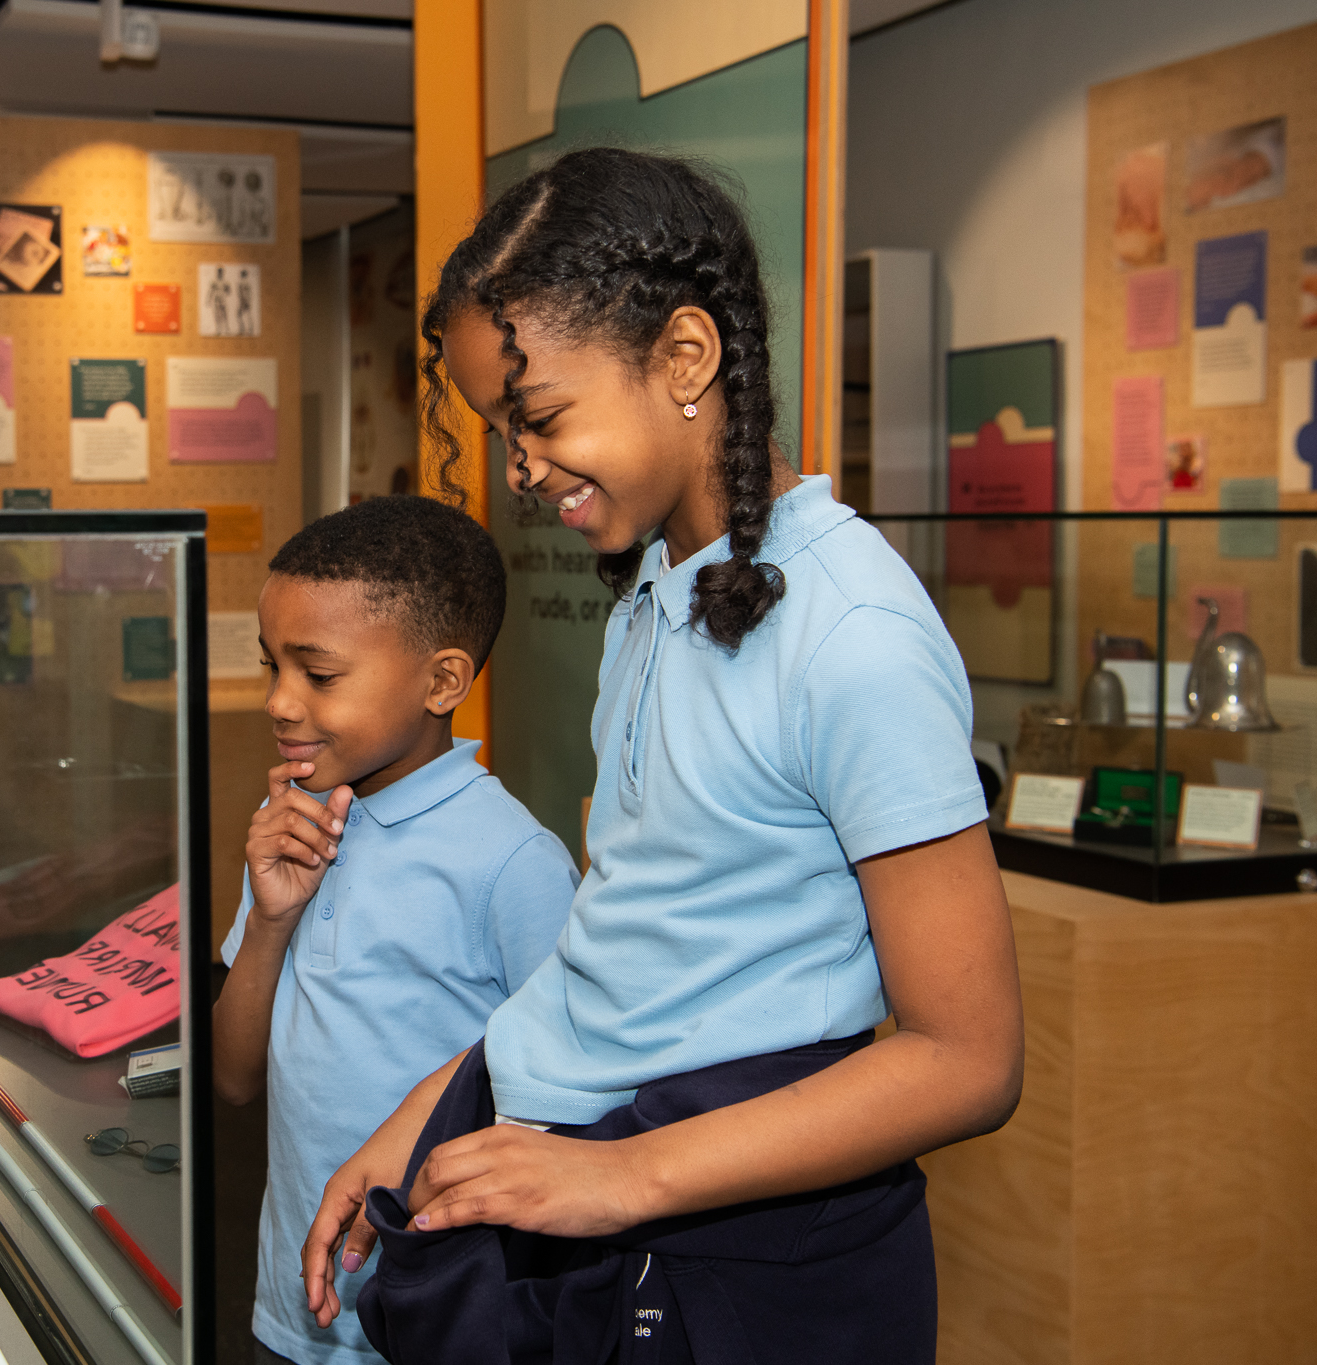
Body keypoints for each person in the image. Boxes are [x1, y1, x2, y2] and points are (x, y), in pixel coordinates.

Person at [299, 147, 1024, 1361]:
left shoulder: (850, 635)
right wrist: (418, 1121)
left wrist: (624, 1177)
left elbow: (968, 1058)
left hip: (741, 1267)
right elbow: (627, 950)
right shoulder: (653, 589)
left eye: (536, 417)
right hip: (605, 1210)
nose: (519, 467)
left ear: (683, 358)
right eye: (501, 430)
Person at [215, 497, 581, 1365]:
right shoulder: (289, 826)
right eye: (272, 667)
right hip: (292, 1313)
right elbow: (232, 1078)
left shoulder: (516, 862)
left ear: (442, 681)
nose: (278, 701)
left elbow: (569, 1099)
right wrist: (271, 920)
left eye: (319, 673)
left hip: (445, 1326)